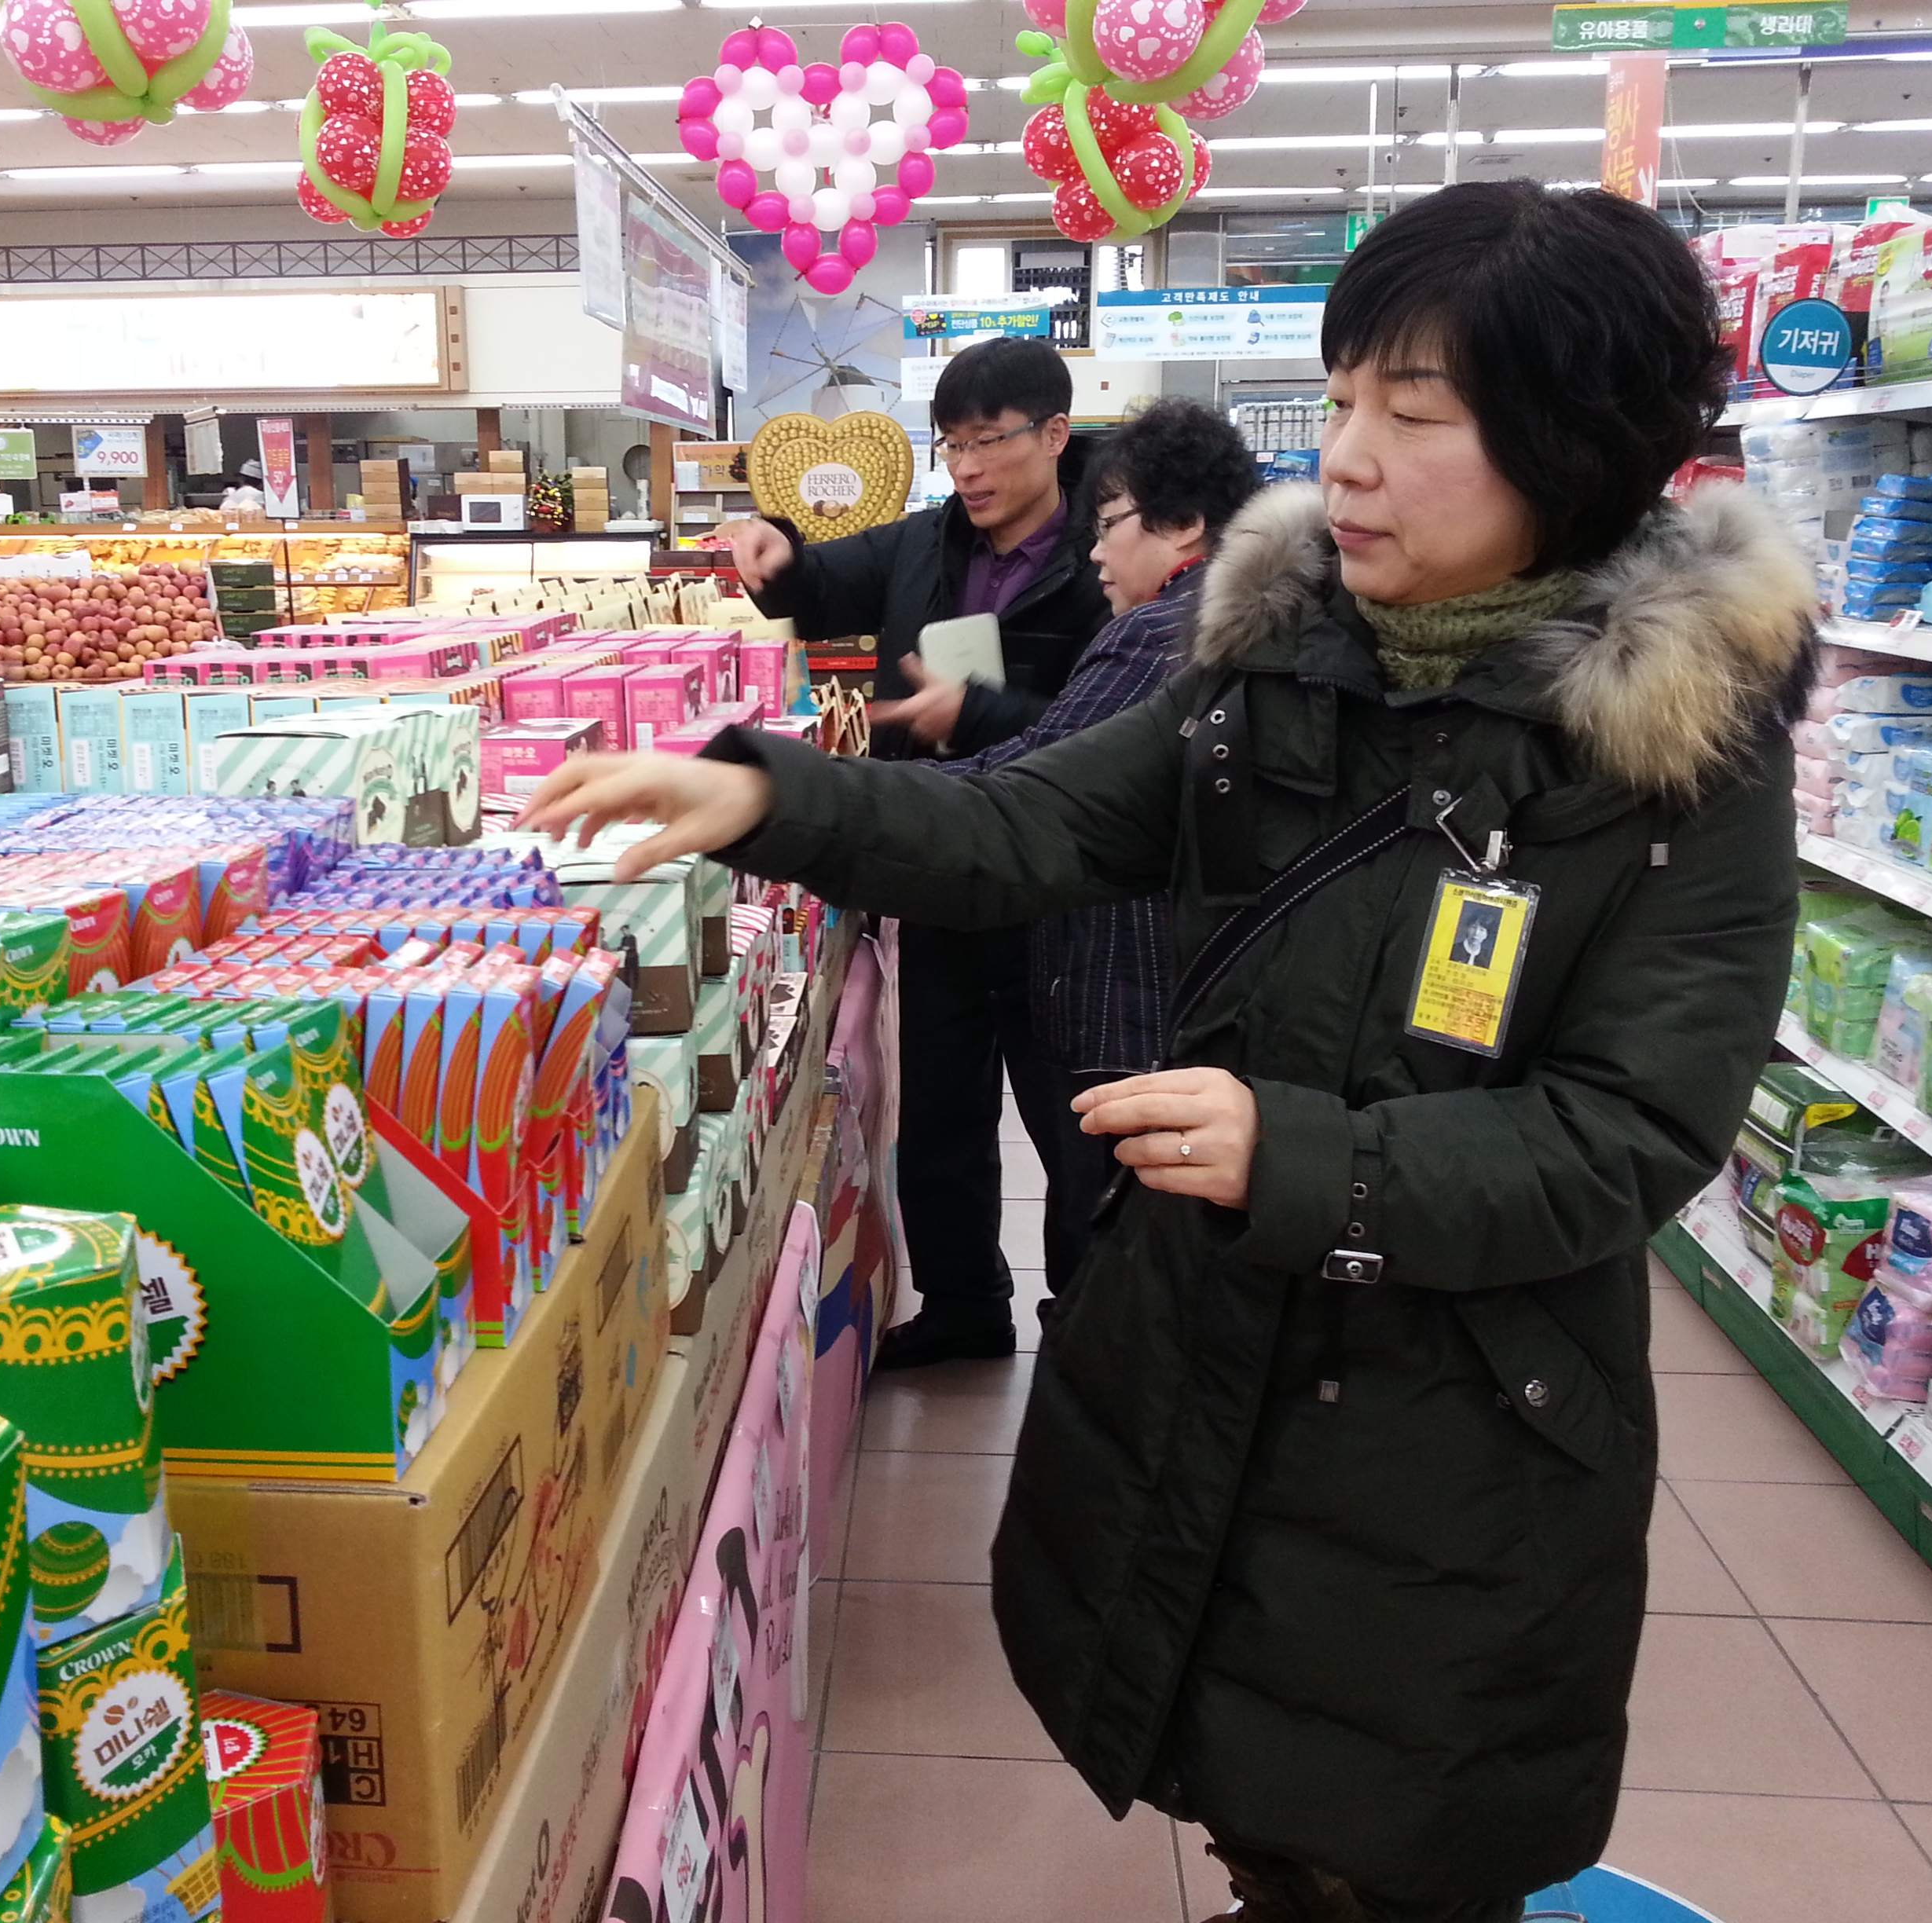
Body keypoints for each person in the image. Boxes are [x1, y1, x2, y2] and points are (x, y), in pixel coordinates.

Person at [522, 180, 1813, 1921]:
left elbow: (1630, 1135)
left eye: (1412, 414)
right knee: (1251, 1784)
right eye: (1344, 395)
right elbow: (1021, 826)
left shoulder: (1681, 758)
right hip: (1212, 1352)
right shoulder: (1272, 662)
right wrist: (768, 793)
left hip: (1453, 1433)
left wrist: (1310, 1159)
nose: (1345, 457)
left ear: (1577, 446)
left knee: (1390, 1836)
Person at [721, 334, 1113, 1368]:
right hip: (936, 870)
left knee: (1072, 1123)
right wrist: (773, 554)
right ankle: (963, 1307)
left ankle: (1085, 1326)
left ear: (1055, 434)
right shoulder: (925, 545)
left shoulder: (1104, 561)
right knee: (942, 1112)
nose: (970, 467)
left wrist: (979, 715)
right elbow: (817, 578)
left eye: (990, 441)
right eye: (952, 444)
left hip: (1060, 888)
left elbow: (1121, 725)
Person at [929, 394, 1260, 1299]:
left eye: (1111, 525)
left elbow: (1031, 788)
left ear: (1185, 522)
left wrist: (831, 801)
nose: (1097, 552)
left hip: (1130, 991)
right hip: (1197, 995)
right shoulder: (1246, 621)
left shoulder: (1161, 635)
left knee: (1108, 1239)